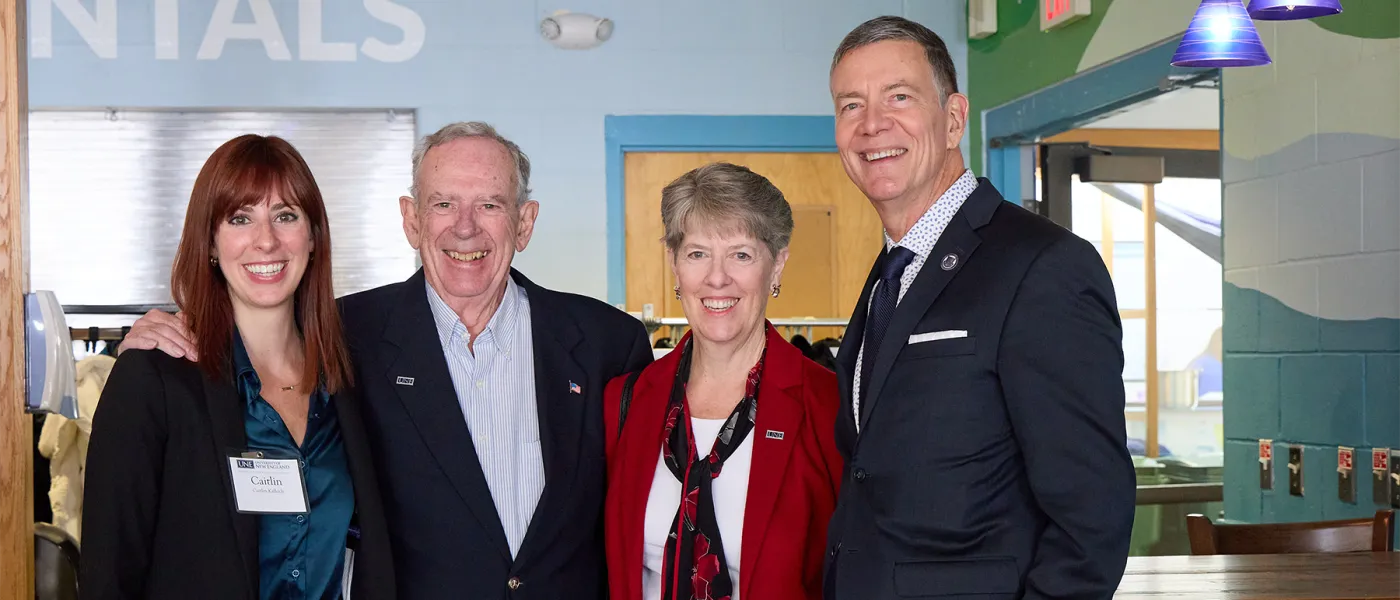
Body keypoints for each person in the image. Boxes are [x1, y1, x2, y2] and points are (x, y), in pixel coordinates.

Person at [120, 122, 654, 599]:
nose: (464, 227)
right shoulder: (346, 337)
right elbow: (251, 316)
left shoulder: (608, 344)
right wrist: (157, 333)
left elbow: (642, 521)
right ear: (411, 220)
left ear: (525, 222)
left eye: (490, 204)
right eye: (442, 203)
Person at [821, 16, 1136, 600]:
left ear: (954, 120)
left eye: (899, 96)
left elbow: (1093, 513)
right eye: (850, 105)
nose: (872, 125)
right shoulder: (893, 270)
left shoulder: (1043, 267)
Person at [79, 134, 396, 599]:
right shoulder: (155, 379)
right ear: (210, 241)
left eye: (285, 216)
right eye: (240, 218)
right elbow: (109, 575)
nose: (266, 241)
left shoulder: (352, 381)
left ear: (313, 236)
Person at [602, 162, 842, 600]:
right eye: (697, 254)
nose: (717, 278)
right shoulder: (626, 401)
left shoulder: (828, 406)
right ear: (674, 264)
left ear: (777, 266)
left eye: (741, 254)